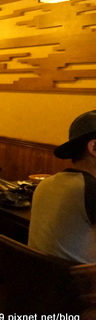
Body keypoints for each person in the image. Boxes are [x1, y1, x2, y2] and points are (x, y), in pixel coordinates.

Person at [28, 110, 96, 264]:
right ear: (94, 147)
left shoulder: (46, 183)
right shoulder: (88, 189)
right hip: (75, 278)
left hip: (39, 274)